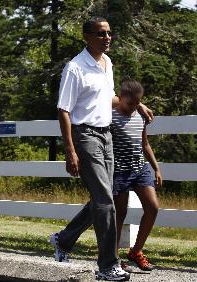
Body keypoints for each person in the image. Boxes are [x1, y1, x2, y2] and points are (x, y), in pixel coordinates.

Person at [49, 17, 153, 281]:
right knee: (107, 201)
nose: (107, 38)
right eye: (100, 34)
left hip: (107, 136)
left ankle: (64, 239)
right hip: (85, 136)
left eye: (109, 33)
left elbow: (109, 98)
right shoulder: (75, 68)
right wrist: (70, 150)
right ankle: (108, 266)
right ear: (86, 37)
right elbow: (64, 110)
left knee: (103, 197)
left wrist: (136, 104)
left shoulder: (107, 64)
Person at [111, 78, 162, 271]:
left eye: (138, 103)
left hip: (140, 169)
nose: (134, 107)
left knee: (153, 207)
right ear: (120, 98)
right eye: (130, 103)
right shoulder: (111, 117)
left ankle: (136, 251)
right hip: (120, 172)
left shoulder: (140, 115)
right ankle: (113, 258)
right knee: (120, 214)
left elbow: (145, 144)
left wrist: (156, 168)